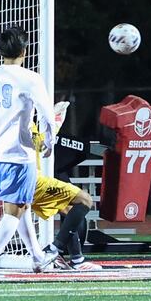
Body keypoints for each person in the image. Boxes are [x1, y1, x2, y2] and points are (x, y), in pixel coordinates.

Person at [0, 25, 58, 277]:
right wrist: (50, 142)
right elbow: (48, 116)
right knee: (14, 211)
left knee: (21, 206)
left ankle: (38, 257)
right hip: (18, 154)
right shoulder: (31, 78)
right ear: (24, 51)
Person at [29, 102, 102, 271]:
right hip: (31, 182)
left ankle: (76, 259)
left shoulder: (26, 123)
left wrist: (55, 122)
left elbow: (40, 144)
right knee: (84, 200)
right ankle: (53, 250)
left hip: (27, 182)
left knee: (68, 208)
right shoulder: (18, 125)